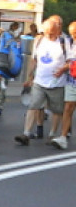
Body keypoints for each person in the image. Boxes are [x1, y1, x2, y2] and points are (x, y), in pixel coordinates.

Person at [15, 15, 67, 147]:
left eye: (51, 33)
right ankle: (26, 133)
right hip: (40, 81)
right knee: (33, 106)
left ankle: (52, 134)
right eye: (46, 32)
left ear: (57, 30)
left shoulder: (64, 42)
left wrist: (63, 69)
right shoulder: (39, 40)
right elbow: (34, 60)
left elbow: (71, 61)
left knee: (57, 110)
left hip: (57, 82)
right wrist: (29, 77)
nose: (48, 35)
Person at [52, 20, 76, 150]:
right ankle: (63, 137)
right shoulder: (70, 42)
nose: (74, 36)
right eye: (72, 33)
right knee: (68, 108)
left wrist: (62, 69)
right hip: (72, 80)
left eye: (75, 33)